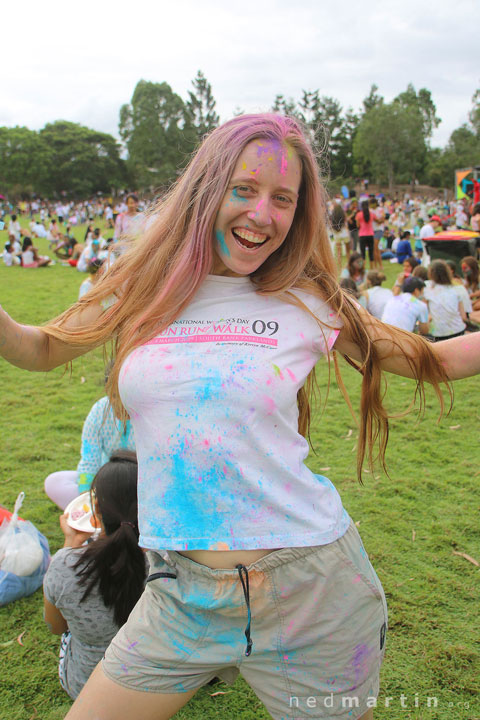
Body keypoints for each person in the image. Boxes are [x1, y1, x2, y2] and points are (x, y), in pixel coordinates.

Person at [2, 113, 480, 720]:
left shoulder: (307, 301)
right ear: (208, 190)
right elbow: (40, 347)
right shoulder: (143, 285)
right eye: (244, 189)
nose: (263, 214)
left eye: (283, 198)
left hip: (312, 587)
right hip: (181, 591)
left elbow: (430, 358)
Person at [43, 451, 146, 700]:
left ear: (96, 510)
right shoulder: (170, 563)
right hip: (152, 688)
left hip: (86, 686)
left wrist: (70, 545)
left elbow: (55, 626)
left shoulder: (64, 566)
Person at [44, 381, 136, 510]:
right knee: (54, 482)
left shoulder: (151, 415)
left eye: (124, 397)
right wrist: (87, 499)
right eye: (114, 396)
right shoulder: (99, 411)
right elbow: (89, 460)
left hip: (139, 487)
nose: (118, 404)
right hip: (105, 483)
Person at [424, 260, 466, 341]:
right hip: (459, 330)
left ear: (430, 274)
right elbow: (463, 317)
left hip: (439, 334)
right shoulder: (457, 289)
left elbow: (424, 312)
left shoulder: (427, 291)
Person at [329, 202, 350, 268]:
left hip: (337, 234)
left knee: (339, 252)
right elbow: (346, 222)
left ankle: (340, 265)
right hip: (344, 233)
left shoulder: (333, 215)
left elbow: (331, 225)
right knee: (347, 250)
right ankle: (348, 264)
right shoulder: (343, 214)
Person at [355, 200, 374, 268]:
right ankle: (372, 269)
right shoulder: (371, 214)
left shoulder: (359, 214)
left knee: (363, 254)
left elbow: (357, 225)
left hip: (362, 235)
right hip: (370, 234)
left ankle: (362, 269)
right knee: (371, 253)